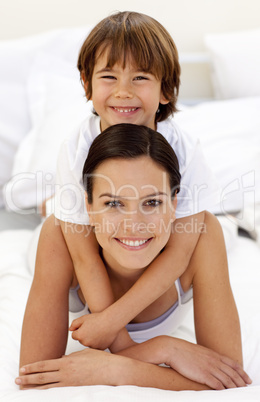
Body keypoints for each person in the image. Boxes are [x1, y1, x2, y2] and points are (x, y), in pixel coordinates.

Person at [31, 10, 221, 354]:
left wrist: (113, 326)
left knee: (214, 227)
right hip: (93, 245)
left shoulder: (185, 150)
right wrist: (121, 342)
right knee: (56, 223)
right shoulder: (75, 150)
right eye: (109, 77)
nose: (123, 92)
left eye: (140, 78)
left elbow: (180, 253)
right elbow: (85, 256)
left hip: (155, 247)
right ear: (87, 84)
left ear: (166, 89)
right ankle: (55, 203)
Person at [16, 124, 251, 390]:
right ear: (88, 207)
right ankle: (49, 202)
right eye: (113, 203)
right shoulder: (59, 235)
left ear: (174, 205)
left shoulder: (202, 235)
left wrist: (120, 367)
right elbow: (33, 377)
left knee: (224, 228)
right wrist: (161, 353)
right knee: (51, 219)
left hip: (173, 235)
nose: (133, 225)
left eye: (152, 202)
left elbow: (230, 380)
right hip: (75, 235)